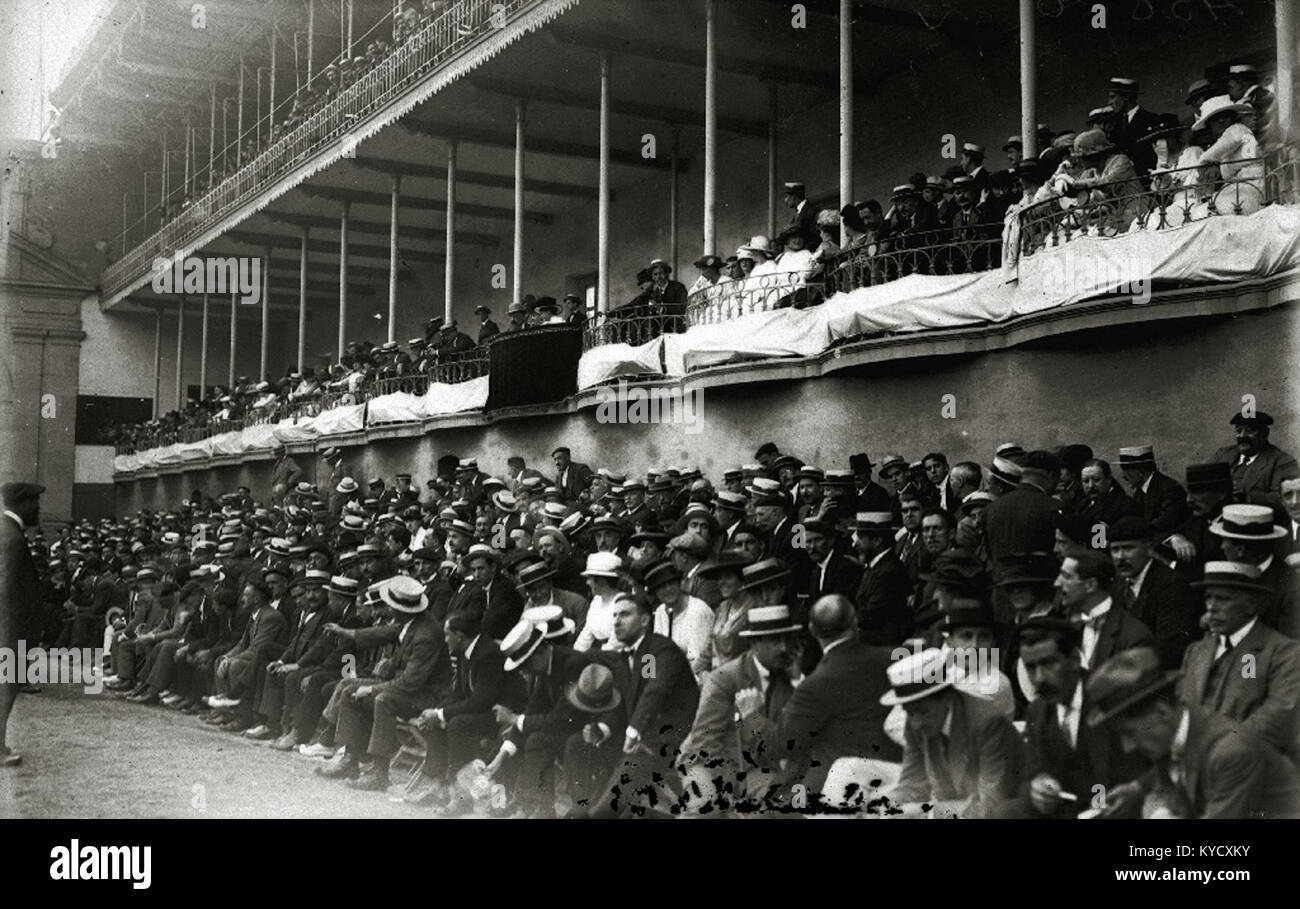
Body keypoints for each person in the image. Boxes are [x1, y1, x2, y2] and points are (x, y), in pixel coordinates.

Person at [1087, 647, 1300, 819]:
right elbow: (1167, 781)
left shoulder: (1231, 752)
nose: (1128, 746)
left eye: (1129, 733)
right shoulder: (1175, 733)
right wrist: (1138, 792)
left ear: (1161, 711)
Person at [997, 617, 1144, 818]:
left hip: (1113, 807)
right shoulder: (1038, 710)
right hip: (1065, 811)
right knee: (1007, 812)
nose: (1039, 677)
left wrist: (1130, 792)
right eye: (1031, 668)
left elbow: (1153, 764)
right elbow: (1032, 771)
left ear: (1074, 659)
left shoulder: (1112, 697)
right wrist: (1037, 786)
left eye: (1049, 663)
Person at [779, 594, 900, 810]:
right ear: (855, 623)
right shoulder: (895, 658)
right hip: (901, 776)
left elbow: (788, 743)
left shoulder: (813, 685)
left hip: (838, 790)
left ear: (812, 630)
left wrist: (750, 717)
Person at [679, 605, 804, 812]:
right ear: (754, 644)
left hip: (755, 766)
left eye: (786, 640)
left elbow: (786, 742)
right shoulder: (725, 678)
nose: (783, 648)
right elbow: (705, 741)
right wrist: (730, 786)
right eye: (775, 641)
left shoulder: (788, 678)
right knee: (705, 805)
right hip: (706, 761)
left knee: (786, 804)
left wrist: (798, 682)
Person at [1176, 560, 1300, 757]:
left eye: (1223, 599)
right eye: (1208, 598)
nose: (1211, 607)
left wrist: (1217, 749)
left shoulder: (1283, 653)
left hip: (1247, 767)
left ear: (1251, 605)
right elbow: (1180, 708)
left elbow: (1278, 717)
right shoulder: (1196, 651)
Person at [883, 646, 1023, 818]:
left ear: (948, 698)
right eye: (909, 712)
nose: (915, 723)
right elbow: (913, 784)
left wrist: (928, 811)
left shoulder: (988, 723)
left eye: (923, 711)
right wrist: (882, 806)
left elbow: (991, 806)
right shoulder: (915, 721)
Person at [1107, 517, 1200, 669]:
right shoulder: (1119, 581)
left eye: (1128, 548)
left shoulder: (1172, 586)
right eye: (1115, 549)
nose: (1120, 557)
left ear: (1149, 549)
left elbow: (1171, 649)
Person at [0, 483, 43, 768]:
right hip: (9, 629)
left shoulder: (7, 531)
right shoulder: (12, 538)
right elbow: (5, 588)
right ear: (24, 504)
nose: (38, 509)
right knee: (5, 687)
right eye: (35, 503)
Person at [1211, 410, 1298, 517]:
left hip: (1256, 525)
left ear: (1265, 434)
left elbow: (1286, 500)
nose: (1242, 436)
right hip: (1218, 518)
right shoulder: (1223, 454)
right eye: (1238, 431)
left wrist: (1247, 495)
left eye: (1250, 431)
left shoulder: (1283, 462)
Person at [1194, 94, 1266, 217]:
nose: (1221, 121)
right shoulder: (1226, 150)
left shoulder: (1238, 129)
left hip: (1252, 187)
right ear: (1209, 126)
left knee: (1213, 213)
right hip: (1237, 190)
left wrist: (1203, 161)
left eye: (1225, 117)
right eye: (1216, 120)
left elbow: (1231, 142)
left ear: (1233, 118)